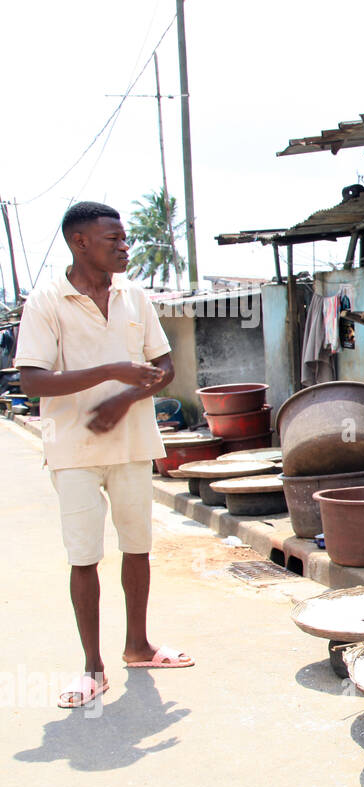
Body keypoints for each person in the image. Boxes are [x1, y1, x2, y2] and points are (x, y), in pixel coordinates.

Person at [15, 201, 193, 709]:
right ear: (80, 242)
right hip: (72, 446)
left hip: (134, 441)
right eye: (113, 239)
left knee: (138, 546)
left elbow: (163, 367)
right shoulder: (48, 300)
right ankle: (92, 668)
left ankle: (138, 645)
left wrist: (125, 398)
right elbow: (32, 379)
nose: (124, 246)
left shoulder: (135, 296)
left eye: (124, 239)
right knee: (84, 555)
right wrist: (112, 372)